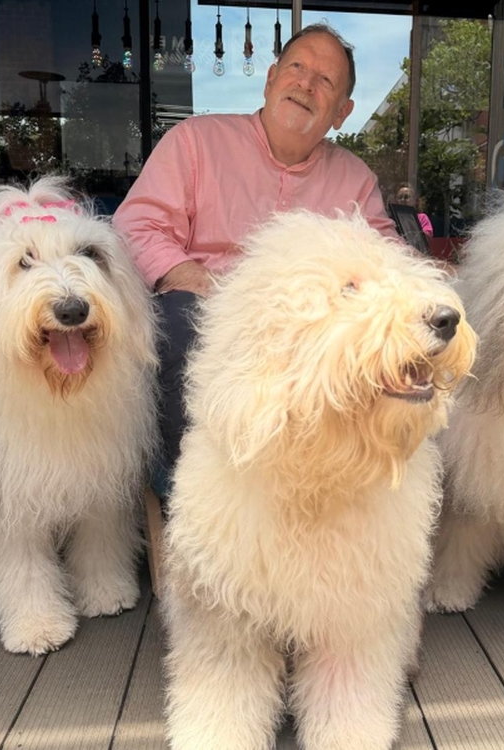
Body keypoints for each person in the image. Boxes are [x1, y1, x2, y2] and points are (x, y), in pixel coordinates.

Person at [113, 23, 398, 498]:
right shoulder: (195, 141)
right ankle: (191, 490)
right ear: (270, 79)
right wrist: (191, 277)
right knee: (177, 322)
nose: (305, 84)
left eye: (325, 81)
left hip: (309, 331)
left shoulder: (355, 180)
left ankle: (322, 492)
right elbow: (136, 226)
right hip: (208, 311)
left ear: (342, 113)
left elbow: (387, 261)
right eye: (297, 67)